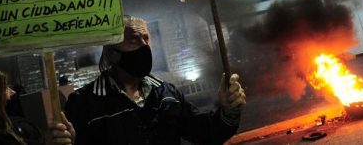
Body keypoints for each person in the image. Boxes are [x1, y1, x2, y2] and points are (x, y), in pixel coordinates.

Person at [51, 15, 246, 145]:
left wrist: (228, 111)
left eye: (146, 39)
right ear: (111, 53)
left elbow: (206, 133)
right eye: (134, 40)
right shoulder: (83, 104)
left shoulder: (168, 95)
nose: (145, 47)